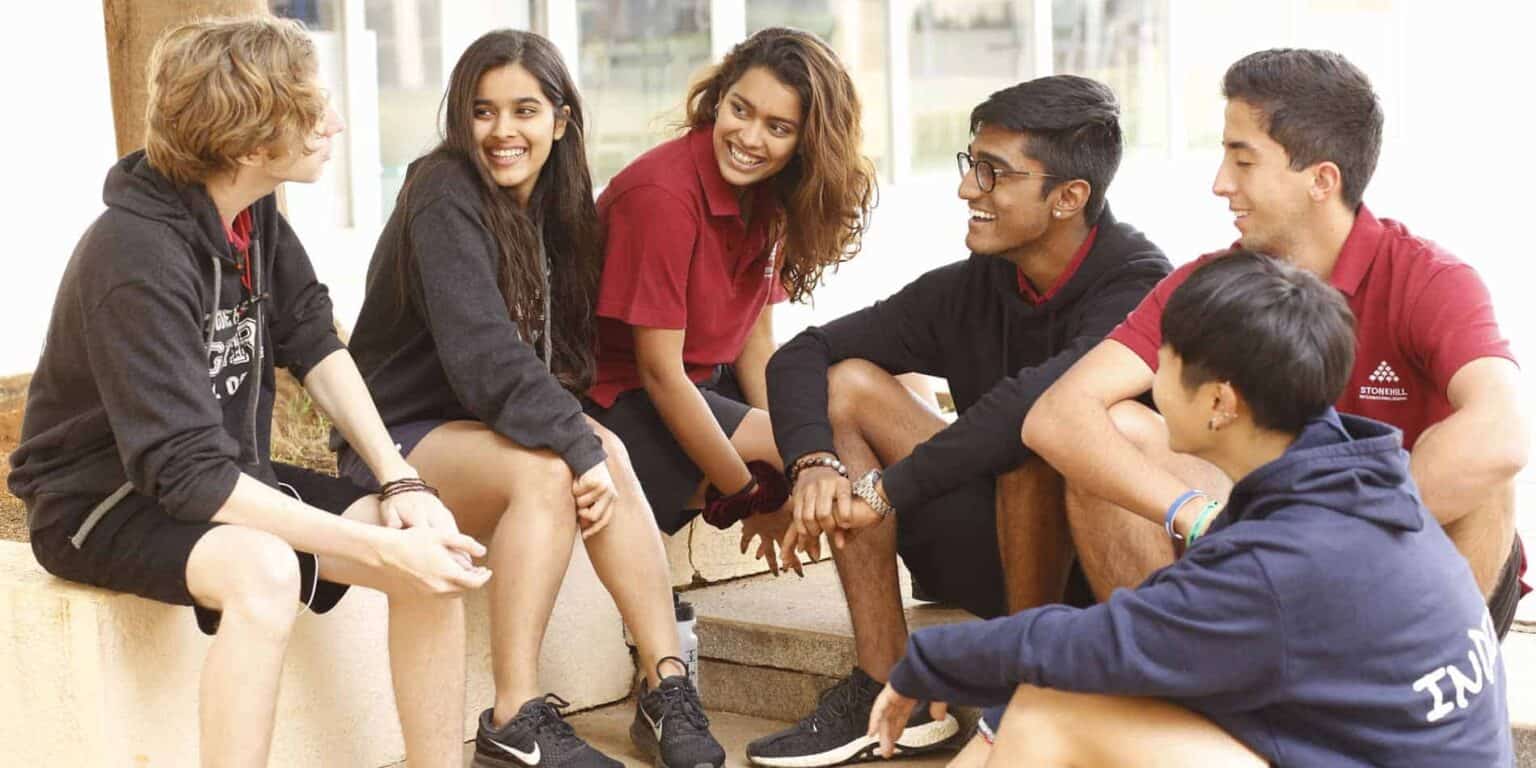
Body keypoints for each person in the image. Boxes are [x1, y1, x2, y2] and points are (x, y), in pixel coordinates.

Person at [8, 17, 488, 768]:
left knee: (423, 553)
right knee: (264, 572)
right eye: (310, 111)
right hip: (96, 500)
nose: (332, 121)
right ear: (250, 147)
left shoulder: (248, 210)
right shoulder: (135, 256)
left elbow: (312, 338)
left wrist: (401, 479)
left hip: (216, 474)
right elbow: (185, 476)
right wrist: (370, 549)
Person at [870, 251, 1513, 767]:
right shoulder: (1356, 481)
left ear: (1220, 403)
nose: (1151, 379)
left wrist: (928, 661)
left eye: (1165, 363)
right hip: (1349, 744)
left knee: (1046, 715)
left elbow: (1106, 642)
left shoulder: (1281, 557)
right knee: (1035, 708)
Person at [748, 75, 1171, 767]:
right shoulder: (981, 280)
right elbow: (804, 351)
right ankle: (888, 686)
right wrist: (813, 465)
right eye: (971, 163)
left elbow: (1029, 413)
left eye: (994, 173)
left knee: (1041, 433)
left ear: (1068, 199)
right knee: (847, 384)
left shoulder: (1139, 283)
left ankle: (1030, 684)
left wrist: (881, 493)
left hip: (1105, 579)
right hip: (994, 548)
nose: (968, 189)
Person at [1025, 48, 1527, 632]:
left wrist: (1331, 534)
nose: (1219, 184)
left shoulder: (1430, 278)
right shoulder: (1204, 283)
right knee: (1116, 436)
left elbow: (1504, 434)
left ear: (1321, 180)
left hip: (1398, 569)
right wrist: (1196, 511)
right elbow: (1056, 416)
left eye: (1243, 161)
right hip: (1262, 558)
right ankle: (1179, 676)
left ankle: (1422, 694)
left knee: (1492, 467)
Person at [339, 30, 725, 768]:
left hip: (486, 426)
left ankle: (666, 681)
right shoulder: (443, 189)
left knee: (605, 450)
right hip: (399, 436)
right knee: (557, 465)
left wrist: (583, 437)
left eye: (523, 110)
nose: (502, 132)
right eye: (483, 112)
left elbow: (559, 357)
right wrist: (572, 441)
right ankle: (514, 713)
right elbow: (483, 355)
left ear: (561, 119)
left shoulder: (560, 207)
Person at [583, 27, 877, 578]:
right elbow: (659, 372)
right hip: (621, 403)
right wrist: (752, 493)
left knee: (856, 399)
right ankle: (878, 634)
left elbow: (755, 344)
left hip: (704, 384)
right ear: (718, 98)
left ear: (806, 142)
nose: (749, 137)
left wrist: (791, 448)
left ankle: (929, 574)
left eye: (778, 127)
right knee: (826, 447)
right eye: (740, 109)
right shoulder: (662, 197)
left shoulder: (773, 195)